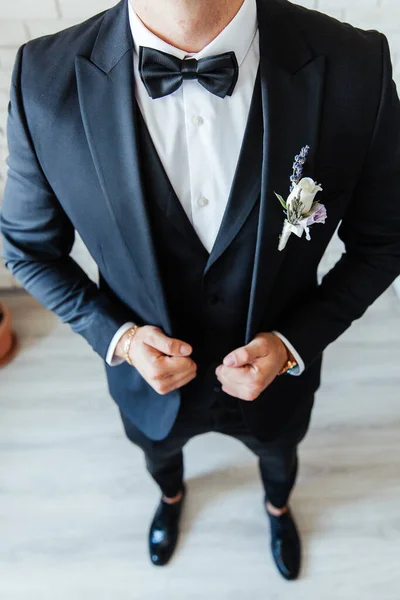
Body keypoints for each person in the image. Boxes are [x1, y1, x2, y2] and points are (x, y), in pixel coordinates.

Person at [1, 0, 400, 581]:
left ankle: (278, 504)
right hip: (145, 386)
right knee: (158, 457)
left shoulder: (354, 64)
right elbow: (29, 250)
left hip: (279, 384)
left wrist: (293, 343)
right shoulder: (43, 77)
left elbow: (385, 241)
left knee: (279, 456)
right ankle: (169, 497)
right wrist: (121, 339)